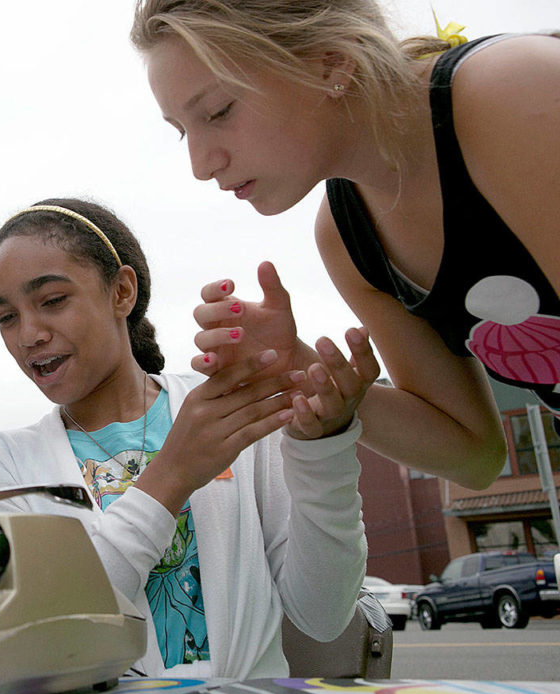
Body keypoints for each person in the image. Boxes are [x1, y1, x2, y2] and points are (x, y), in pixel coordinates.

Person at [131, 0, 560, 490]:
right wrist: (296, 368)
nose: (200, 165)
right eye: (182, 131)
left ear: (331, 61)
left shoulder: (507, 92)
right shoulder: (347, 233)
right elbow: (473, 455)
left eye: (218, 111)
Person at [0, 198, 371, 679]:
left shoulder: (226, 409)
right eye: (6, 317)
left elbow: (324, 616)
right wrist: (172, 476)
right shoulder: (11, 460)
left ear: (121, 292)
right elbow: (47, 637)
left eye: (53, 301)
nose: (29, 334)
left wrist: (321, 449)